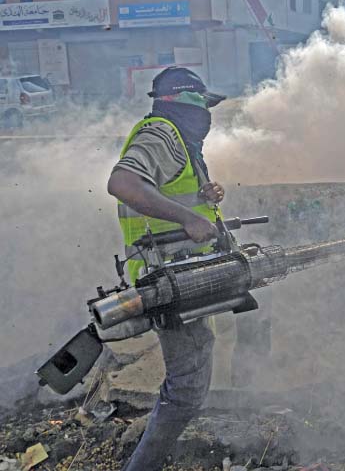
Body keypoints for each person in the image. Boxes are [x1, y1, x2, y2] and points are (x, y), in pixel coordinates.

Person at [107, 66, 226, 471]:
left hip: (181, 274)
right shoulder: (162, 132)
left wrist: (203, 198)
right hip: (166, 278)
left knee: (190, 378)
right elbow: (123, 183)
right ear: (184, 101)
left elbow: (165, 191)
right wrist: (188, 219)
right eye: (205, 105)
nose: (208, 117)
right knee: (186, 391)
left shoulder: (179, 140)